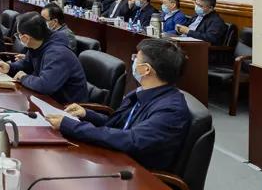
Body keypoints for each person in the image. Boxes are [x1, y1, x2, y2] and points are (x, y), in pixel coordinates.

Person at [46, 38, 191, 172]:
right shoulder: (142, 92)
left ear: (146, 69)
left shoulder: (171, 110)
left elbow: (130, 139)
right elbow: (117, 124)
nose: (133, 61)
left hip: (137, 173)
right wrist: (87, 114)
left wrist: (72, 127)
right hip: (117, 158)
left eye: (136, 58)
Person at [0, 13, 87, 104]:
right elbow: (26, 63)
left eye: (18, 34)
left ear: (26, 38)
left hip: (65, 106)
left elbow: (45, 85)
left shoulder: (57, 53)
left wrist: (23, 77)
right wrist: (10, 67)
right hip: (45, 98)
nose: (18, 37)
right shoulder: (38, 44)